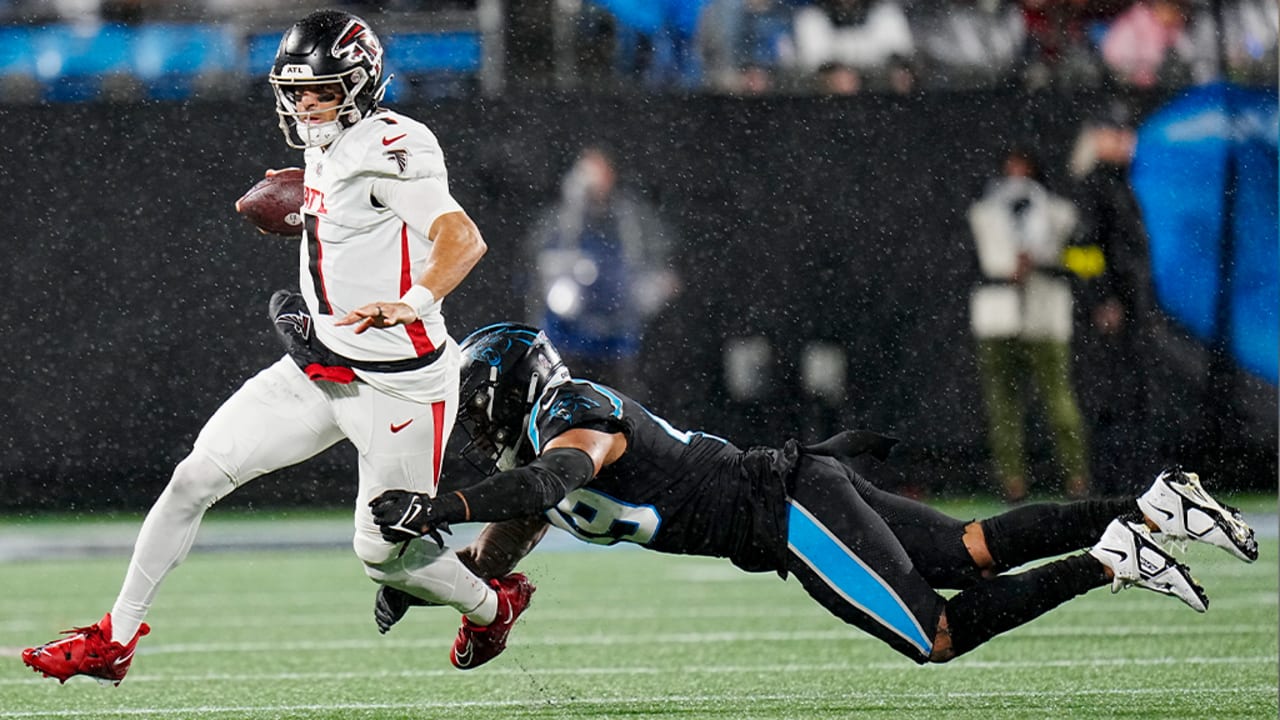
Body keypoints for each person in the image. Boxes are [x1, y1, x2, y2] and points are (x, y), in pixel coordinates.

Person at [21, 9, 531, 686]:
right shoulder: (326, 146)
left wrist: (412, 301)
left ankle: (493, 605)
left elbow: (462, 238)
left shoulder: (393, 143)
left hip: (399, 383)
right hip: (323, 368)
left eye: (322, 89)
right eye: (296, 91)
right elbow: (355, 231)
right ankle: (114, 640)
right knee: (192, 479)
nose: (306, 103)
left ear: (362, 82)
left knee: (380, 554)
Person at [368, 322, 1258, 665]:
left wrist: (439, 507)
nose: (470, 428)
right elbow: (511, 533)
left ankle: (1108, 563)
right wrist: (427, 580)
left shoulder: (574, 412)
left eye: (473, 408)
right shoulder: (540, 431)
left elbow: (553, 477)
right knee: (973, 547)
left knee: (938, 635)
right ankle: (1148, 505)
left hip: (786, 512)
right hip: (796, 487)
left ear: (503, 390)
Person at [967, 147, 1090, 502]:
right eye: (1011, 168)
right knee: (1003, 405)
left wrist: (1040, 261)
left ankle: (1075, 478)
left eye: (1025, 168)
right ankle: (1013, 482)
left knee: (1058, 400)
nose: (1017, 176)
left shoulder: (1059, 213)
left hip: (1045, 312)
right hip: (997, 314)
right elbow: (970, 264)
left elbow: (1080, 259)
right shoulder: (984, 213)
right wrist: (1009, 267)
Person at [523, 145, 679, 394]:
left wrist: (651, 289)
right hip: (567, 335)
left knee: (617, 404)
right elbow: (536, 266)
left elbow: (659, 259)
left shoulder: (631, 218)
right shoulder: (558, 220)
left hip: (618, 335)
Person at [1067, 104, 1155, 496]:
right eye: (1116, 132)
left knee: (1131, 399)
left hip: (1130, 310)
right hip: (1109, 316)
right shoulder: (1095, 187)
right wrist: (1102, 299)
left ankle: (1129, 486)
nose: (1127, 140)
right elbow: (1082, 252)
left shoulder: (1122, 185)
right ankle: (1110, 488)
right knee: (1110, 401)